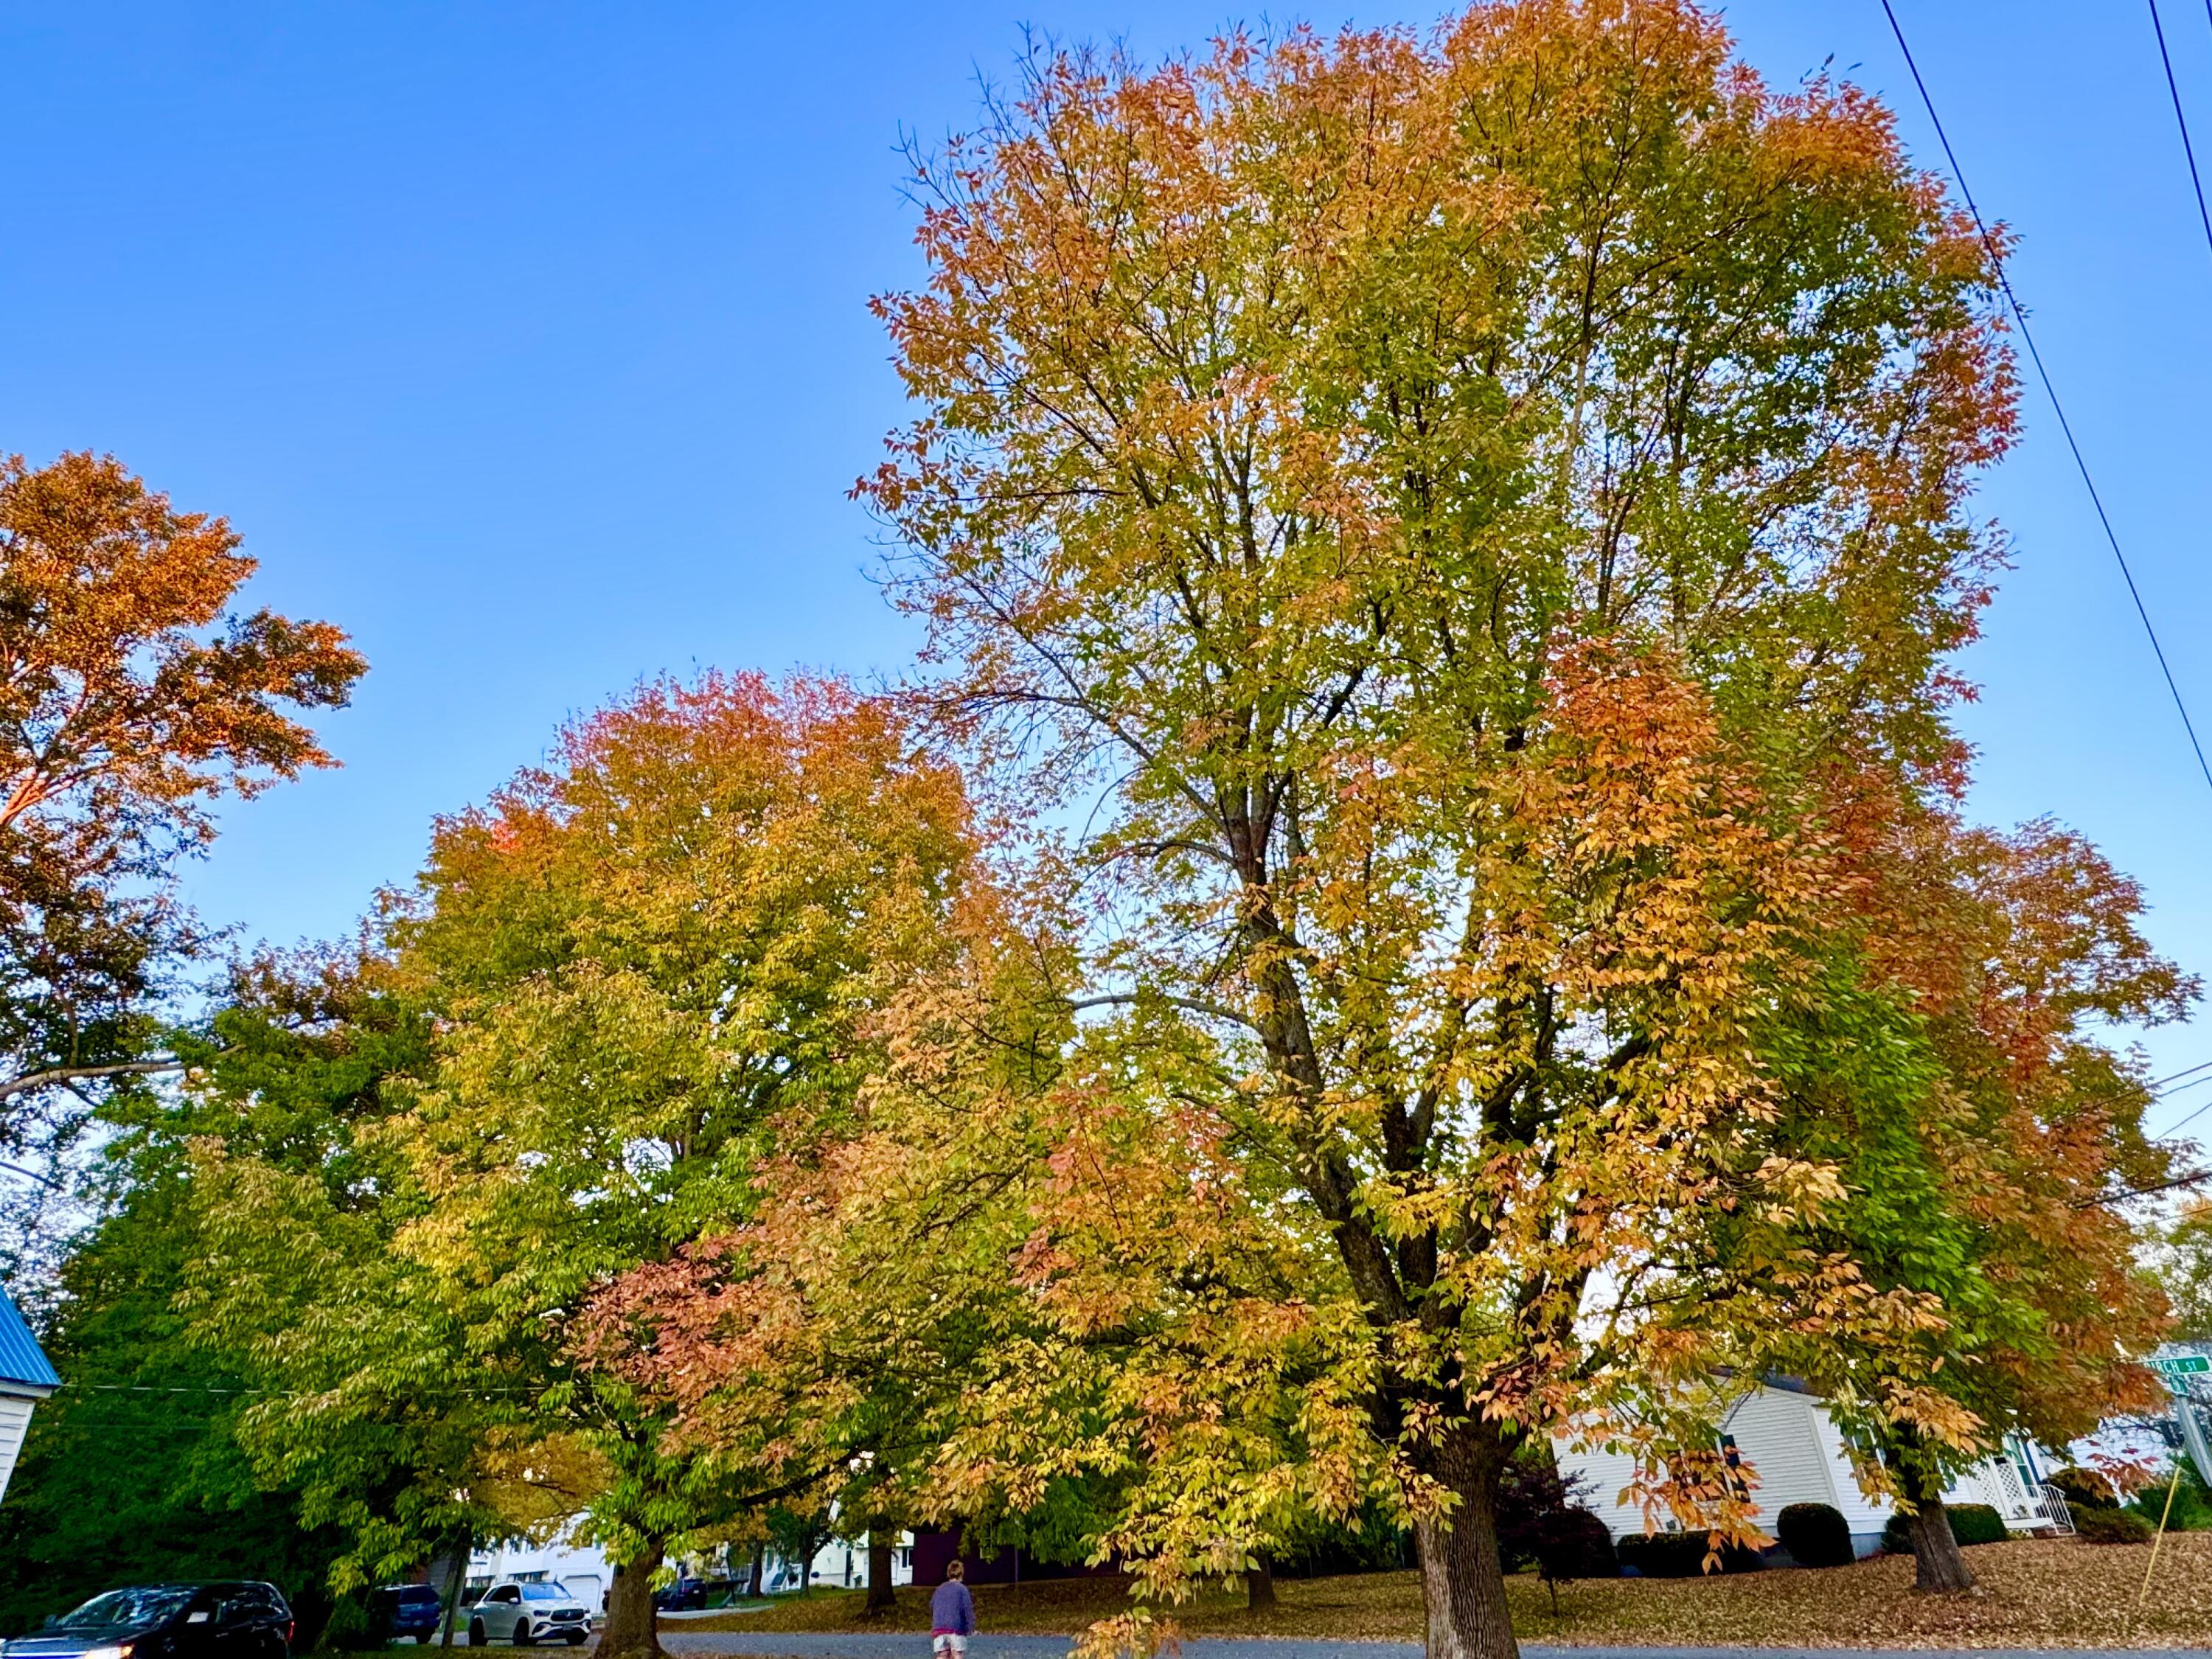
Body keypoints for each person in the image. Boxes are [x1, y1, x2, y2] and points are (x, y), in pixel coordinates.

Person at [929, 1559, 975, 1659]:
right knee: (957, 1653)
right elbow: (967, 1609)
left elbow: (932, 1606)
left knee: (942, 1654)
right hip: (956, 1628)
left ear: (948, 1573)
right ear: (961, 1573)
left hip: (939, 1627)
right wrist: (970, 1627)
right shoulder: (962, 1589)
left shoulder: (939, 1589)